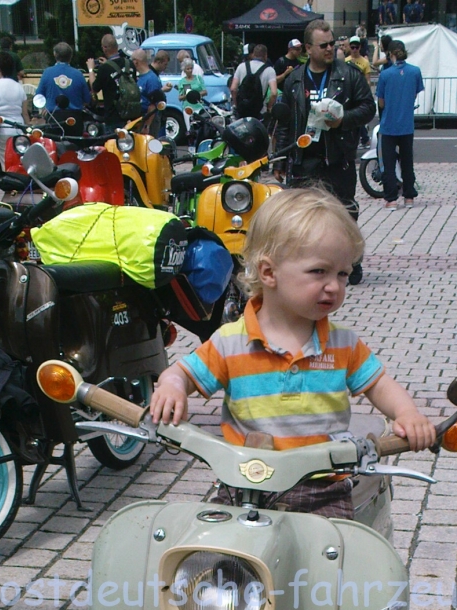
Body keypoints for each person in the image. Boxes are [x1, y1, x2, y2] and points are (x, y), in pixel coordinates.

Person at [148, 187, 435, 519]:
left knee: (332, 564)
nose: (335, 286)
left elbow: (378, 384)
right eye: (319, 271)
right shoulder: (231, 342)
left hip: (323, 490)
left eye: (342, 273)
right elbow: (182, 372)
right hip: (245, 487)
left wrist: (408, 414)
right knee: (219, 564)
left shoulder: (342, 344)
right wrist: (171, 386)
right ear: (269, 273)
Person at [281, 19, 375, 283]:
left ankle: (350, 265)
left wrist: (343, 119)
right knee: (305, 219)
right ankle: (313, 267)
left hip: (338, 157)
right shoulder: (295, 80)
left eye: (333, 43)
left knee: (344, 215)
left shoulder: (348, 75)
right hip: (305, 158)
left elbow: (368, 108)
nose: (330, 49)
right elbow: (287, 121)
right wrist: (281, 157)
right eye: (324, 45)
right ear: (308, 48)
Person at [376, 39, 424, 207]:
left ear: (390, 54)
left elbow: (381, 102)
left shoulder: (385, 74)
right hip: (407, 123)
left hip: (389, 124)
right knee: (407, 161)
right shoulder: (415, 72)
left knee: (388, 164)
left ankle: (391, 199)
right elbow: (415, 94)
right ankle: (409, 196)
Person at [36, 41, 91, 123]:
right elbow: (87, 100)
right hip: (74, 118)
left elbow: (38, 97)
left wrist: (44, 108)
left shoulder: (47, 73)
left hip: (53, 118)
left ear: (54, 54)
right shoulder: (78, 74)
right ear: (71, 56)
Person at [87, 33, 130, 128]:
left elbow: (95, 88)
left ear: (105, 48)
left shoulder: (105, 69)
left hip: (114, 117)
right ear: (117, 46)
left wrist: (91, 69)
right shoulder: (129, 63)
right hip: (131, 115)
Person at [231, 44, 277, 117]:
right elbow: (274, 93)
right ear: (266, 55)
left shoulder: (241, 66)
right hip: (260, 111)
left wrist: (237, 105)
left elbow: (233, 89)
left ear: (253, 54)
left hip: (243, 111)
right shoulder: (270, 70)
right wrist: (269, 107)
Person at [130, 48, 163, 131]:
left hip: (149, 120)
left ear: (136, 62)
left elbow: (154, 104)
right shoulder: (139, 77)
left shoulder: (151, 79)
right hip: (139, 119)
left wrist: (147, 125)